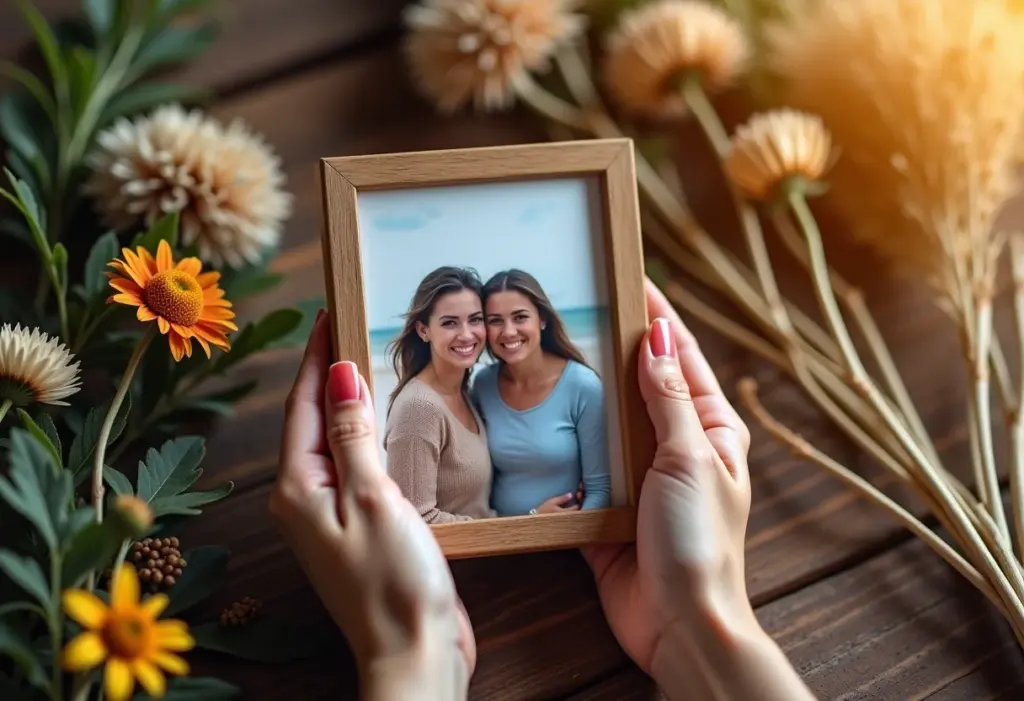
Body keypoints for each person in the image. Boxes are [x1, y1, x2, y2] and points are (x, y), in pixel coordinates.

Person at [269, 277, 817, 701]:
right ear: (423, 331)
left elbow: (591, 481)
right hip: (491, 587)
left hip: (558, 578)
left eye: (479, 320)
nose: (485, 332)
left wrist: (414, 654)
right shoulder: (448, 396)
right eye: (469, 321)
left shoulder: (514, 388)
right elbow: (423, 510)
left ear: (543, 320)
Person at [381, 265, 575, 524]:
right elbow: (416, 520)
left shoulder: (466, 394)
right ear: (423, 330)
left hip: (489, 549)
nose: (466, 334)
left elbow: (476, 511)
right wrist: (529, 522)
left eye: (475, 320)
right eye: (450, 323)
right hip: (459, 553)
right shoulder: (419, 408)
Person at [471, 269, 611, 516]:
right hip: (498, 534)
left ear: (542, 319)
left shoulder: (582, 386)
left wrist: (558, 530)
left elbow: (600, 489)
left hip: (564, 536)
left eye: (520, 317)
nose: (509, 331)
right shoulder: (483, 385)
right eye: (495, 320)